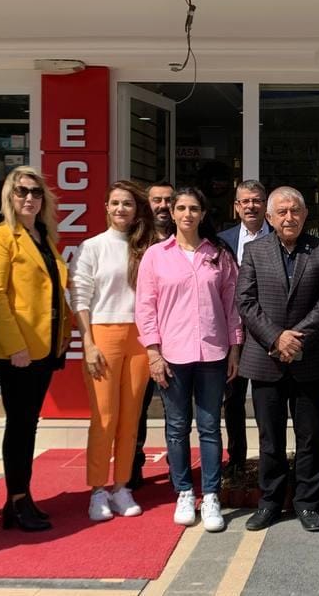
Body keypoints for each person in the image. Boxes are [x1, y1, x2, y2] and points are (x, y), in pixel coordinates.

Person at [136, 186, 242, 532]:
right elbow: (145, 307)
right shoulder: (156, 255)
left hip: (213, 352)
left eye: (193, 208)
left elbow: (231, 305)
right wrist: (153, 352)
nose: (187, 214)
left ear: (203, 214)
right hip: (172, 355)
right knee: (177, 427)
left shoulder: (219, 254)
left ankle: (211, 494)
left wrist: (235, 348)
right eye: (180, 208)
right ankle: (183, 491)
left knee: (210, 428)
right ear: (173, 213)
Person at [236, 186, 319, 533]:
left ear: (305, 214)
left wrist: (295, 338)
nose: (289, 217)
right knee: (270, 437)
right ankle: (270, 502)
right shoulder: (254, 251)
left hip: (308, 357)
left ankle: (307, 503)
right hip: (265, 358)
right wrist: (275, 337)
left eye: (295, 210)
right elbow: (245, 300)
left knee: (309, 436)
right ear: (269, 217)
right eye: (281, 212)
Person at [0, 165, 73, 532]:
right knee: (20, 426)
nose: (29, 198)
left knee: (28, 424)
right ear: (10, 196)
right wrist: (15, 345)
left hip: (44, 348)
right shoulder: (3, 236)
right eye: (21, 191)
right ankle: (18, 501)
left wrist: (64, 331)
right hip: (17, 352)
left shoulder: (43, 236)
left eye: (36, 192)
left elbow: (53, 291)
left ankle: (21, 498)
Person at [70, 181, 156, 522]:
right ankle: (96, 489)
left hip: (140, 336)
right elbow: (79, 296)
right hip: (103, 334)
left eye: (128, 204)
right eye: (115, 203)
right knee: (104, 417)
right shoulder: (91, 247)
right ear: (106, 207)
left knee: (131, 417)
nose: (121, 209)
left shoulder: (147, 247)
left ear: (136, 210)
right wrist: (88, 343)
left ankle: (121, 486)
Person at [218, 179, 270, 476]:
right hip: (232, 331)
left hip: (267, 329)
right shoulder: (222, 240)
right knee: (233, 398)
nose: (251, 206)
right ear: (236, 206)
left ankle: (269, 460)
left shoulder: (278, 235)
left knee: (267, 400)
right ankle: (237, 459)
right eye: (245, 201)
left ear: (265, 204)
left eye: (256, 200)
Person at [128, 180, 175, 489]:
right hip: (138, 337)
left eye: (168, 200)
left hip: (173, 336)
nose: (163, 206)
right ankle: (133, 465)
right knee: (137, 406)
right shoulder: (134, 241)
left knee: (175, 409)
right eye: (157, 200)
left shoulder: (185, 238)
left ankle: (177, 466)